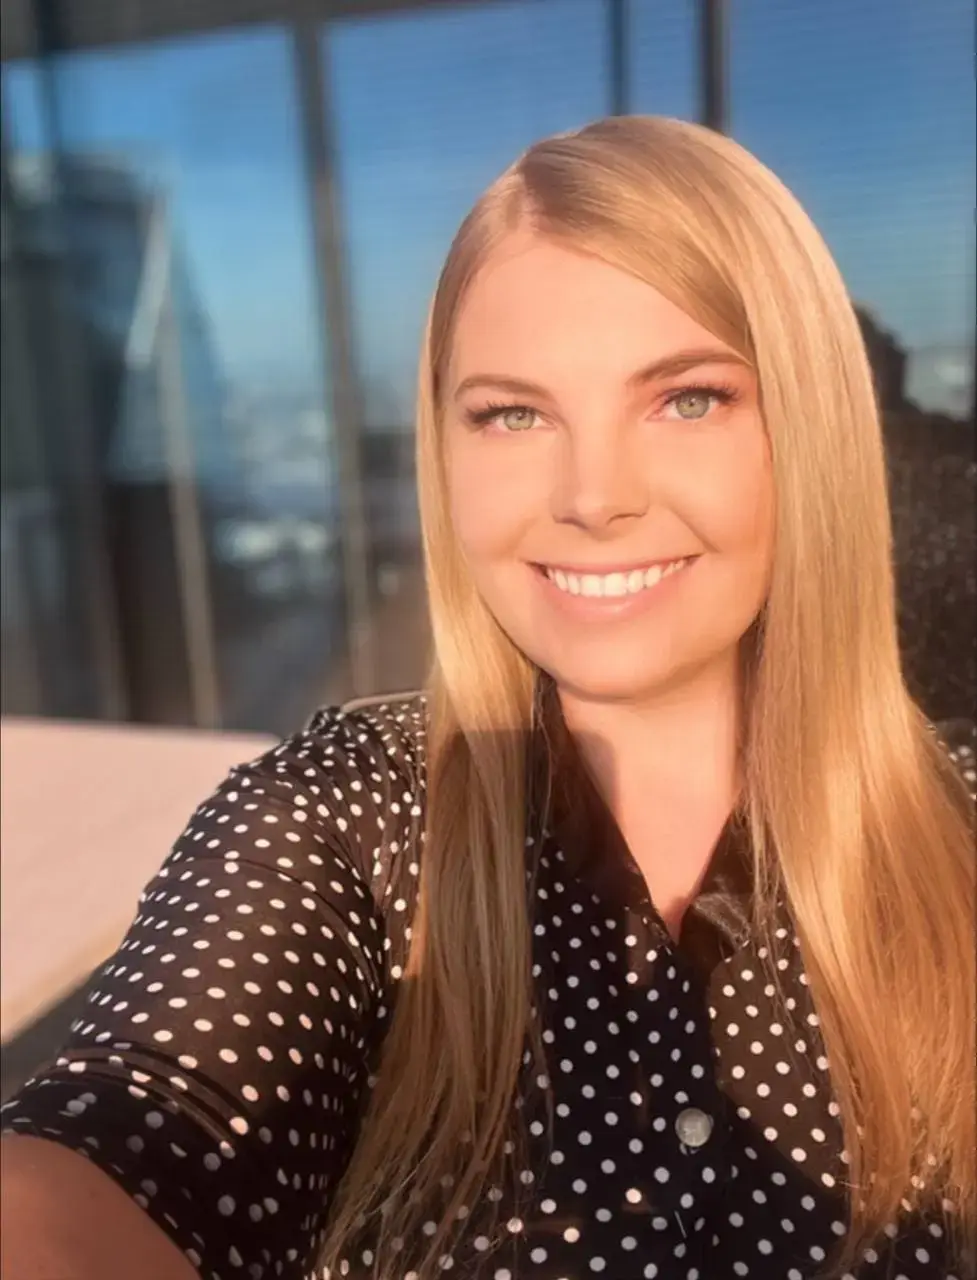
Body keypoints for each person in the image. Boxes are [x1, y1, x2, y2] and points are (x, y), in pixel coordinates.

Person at [1, 116, 974, 1280]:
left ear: (806, 432)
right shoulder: (348, 817)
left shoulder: (954, 833)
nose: (592, 496)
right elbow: (133, 1128)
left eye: (686, 398)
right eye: (513, 413)